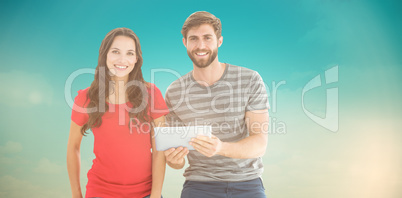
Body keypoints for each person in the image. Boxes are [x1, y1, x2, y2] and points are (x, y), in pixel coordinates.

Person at [164, 11, 270, 198]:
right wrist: (174, 160)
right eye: (194, 39)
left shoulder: (250, 79)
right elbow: (177, 160)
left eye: (207, 38)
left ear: (219, 41)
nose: (201, 45)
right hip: (199, 185)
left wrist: (220, 148)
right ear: (185, 43)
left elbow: (260, 142)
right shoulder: (174, 92)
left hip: (247, 183)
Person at [67, 28, 168, 198]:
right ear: (104, 54)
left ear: (136, 59)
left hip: (146, 193)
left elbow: (160, 149)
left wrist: (156, 194)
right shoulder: (85, 99)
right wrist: (76, 195)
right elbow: (73, 147)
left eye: (129, 53)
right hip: (100, 192)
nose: (122, 60)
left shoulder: (151, 94)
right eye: (115, 51)